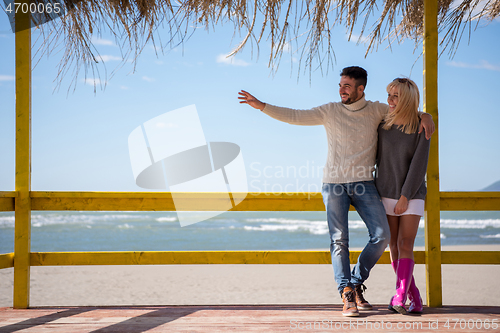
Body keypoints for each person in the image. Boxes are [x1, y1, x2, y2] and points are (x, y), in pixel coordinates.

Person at [238, 66, 435, 317]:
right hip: (334, 184)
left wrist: (425, 115)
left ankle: (354, 281)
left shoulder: (377, 110)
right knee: (339, 240)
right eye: (340, 85)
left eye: (347, 86)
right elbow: (296, 116)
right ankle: (347, 293)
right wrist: (263, 106)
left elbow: (406, 109)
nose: (341, 89)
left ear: (360, 88)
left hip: (365, 183)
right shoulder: (329, 111)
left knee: (382, 236)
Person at [375, 78, 431, 315]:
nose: (390, 100)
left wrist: (406, 196)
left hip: (412, 193)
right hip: (385, 191)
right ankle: (414, 297)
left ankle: (399, 296)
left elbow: (420, 163)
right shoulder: (381, 124)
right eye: (389, 94)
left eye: (396, 96)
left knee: (406, 243)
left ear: (407, 99)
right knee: (394, 247)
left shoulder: (421, 125)